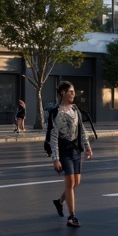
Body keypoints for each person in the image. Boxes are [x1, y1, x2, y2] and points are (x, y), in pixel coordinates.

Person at [50, 81, 92, 227]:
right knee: (70, 183)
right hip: (64, 151)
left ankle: (59, 201)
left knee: (76, 183)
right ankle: (72, 217)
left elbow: (82, 129)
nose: (74, 94)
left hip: (75, 150)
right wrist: (55, 158)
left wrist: (87, 146)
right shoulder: (56, 112)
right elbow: (53, 137)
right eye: (71, 92)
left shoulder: (75, 110)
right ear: (63, 93)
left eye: (74, 91)